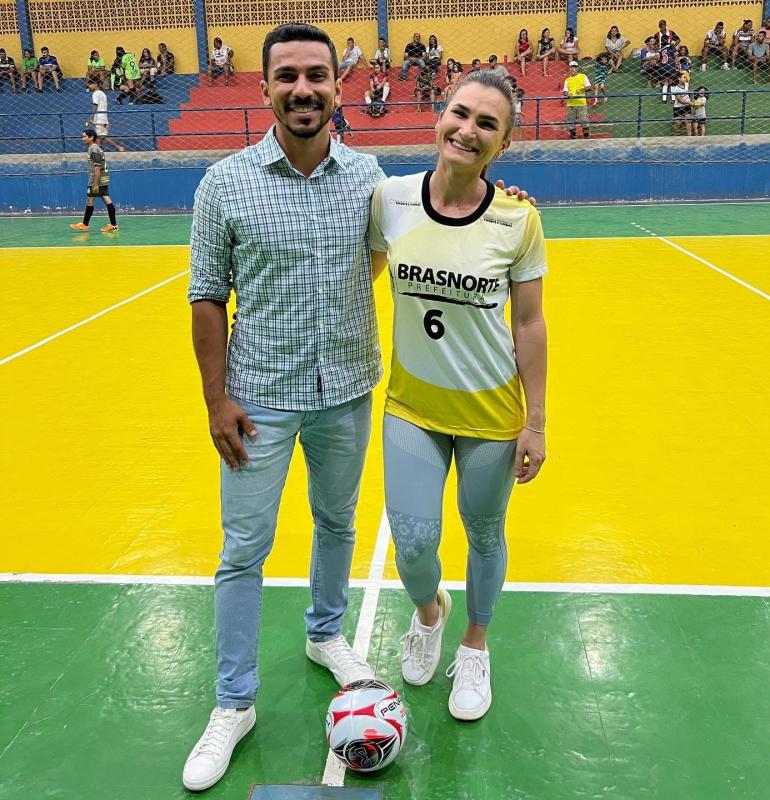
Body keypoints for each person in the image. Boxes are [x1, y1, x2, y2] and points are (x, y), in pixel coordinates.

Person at [182, 23, 384, 792]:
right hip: (257, 401)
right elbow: (207, 296)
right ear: (265, 88)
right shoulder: (224, 184)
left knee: (338, 523)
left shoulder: (368, 176)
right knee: (243, 550)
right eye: (288, 76)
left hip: (346, 390)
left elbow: (415, 228)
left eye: (317, 75)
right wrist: (216, 400)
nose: (304, 89)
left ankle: (325, 634)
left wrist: (506, 197)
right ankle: (234, 703)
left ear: (337, 85)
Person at [369, 68, 547, 722]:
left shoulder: (518, 220)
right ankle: (429, 613)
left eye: (487, 124)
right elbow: (357, 273)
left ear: (504, 142)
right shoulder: (389, 199)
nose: (468, 130)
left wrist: (536, 421)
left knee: (484, 532)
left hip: (491, 415)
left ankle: (475, 644)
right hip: (412, 407)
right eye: (460, 113)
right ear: (439, 115)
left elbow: (529, 324)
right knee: (413, 542)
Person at [69, 129, 119, 233]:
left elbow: (97, 167)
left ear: (91, 137)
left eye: (85, 136)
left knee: (90, 200)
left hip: (96, 180)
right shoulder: (96, 148)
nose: (83, 139)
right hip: (102, 179)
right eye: (82, 136)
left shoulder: (93, 149)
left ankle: (85, 224)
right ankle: (113, 225)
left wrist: (95, 184)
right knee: (106, 200)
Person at [85, 77, 126, 151]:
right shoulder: (102, 93)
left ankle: (119, 147)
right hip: (103, 116)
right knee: (99, 135)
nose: (89, 87)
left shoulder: (96, 94)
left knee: (102, 136)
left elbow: (95, 106)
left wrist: (90, 118)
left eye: (90, 84)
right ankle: (98, 150)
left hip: (99, 118)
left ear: (95, 84)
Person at [563, 60, 590, 139]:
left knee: (584, 121)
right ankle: (573, 137)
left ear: (577, 68)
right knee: (570, 122)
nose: (573, 69)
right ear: (569, 68)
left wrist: (581, 90)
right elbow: (564, 91)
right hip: (571, 104)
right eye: (571, 67)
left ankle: (586, 138)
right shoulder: (567, 80)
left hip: (581, 103)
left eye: (574, 67)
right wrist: (568, 94)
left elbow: (588, 87)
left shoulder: (583, 76)